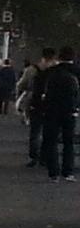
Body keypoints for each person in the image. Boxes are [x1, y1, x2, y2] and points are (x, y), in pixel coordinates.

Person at [35, 48, 80, 181]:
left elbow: (38, 90)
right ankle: (68, 172)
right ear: (73, 57)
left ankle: (53, 173)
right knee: (69, 142)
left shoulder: (49, 72)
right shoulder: (77, 72)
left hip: (51, 111)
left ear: (59, 57)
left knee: (51, 141)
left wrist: (38, 108)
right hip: (70, 112)